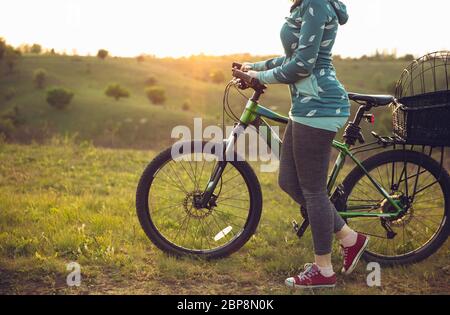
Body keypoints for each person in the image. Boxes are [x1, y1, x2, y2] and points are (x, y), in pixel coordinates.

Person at [242, 0, 369, 289]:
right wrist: (256, 66)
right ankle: (350, 238)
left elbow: (302, 65)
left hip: (321, 106)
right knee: (289, 181)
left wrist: (258, 77)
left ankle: (324, 270)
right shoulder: (303, 5)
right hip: (303, 107)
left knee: (313, 191)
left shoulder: (315, 3)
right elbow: (292, 56)